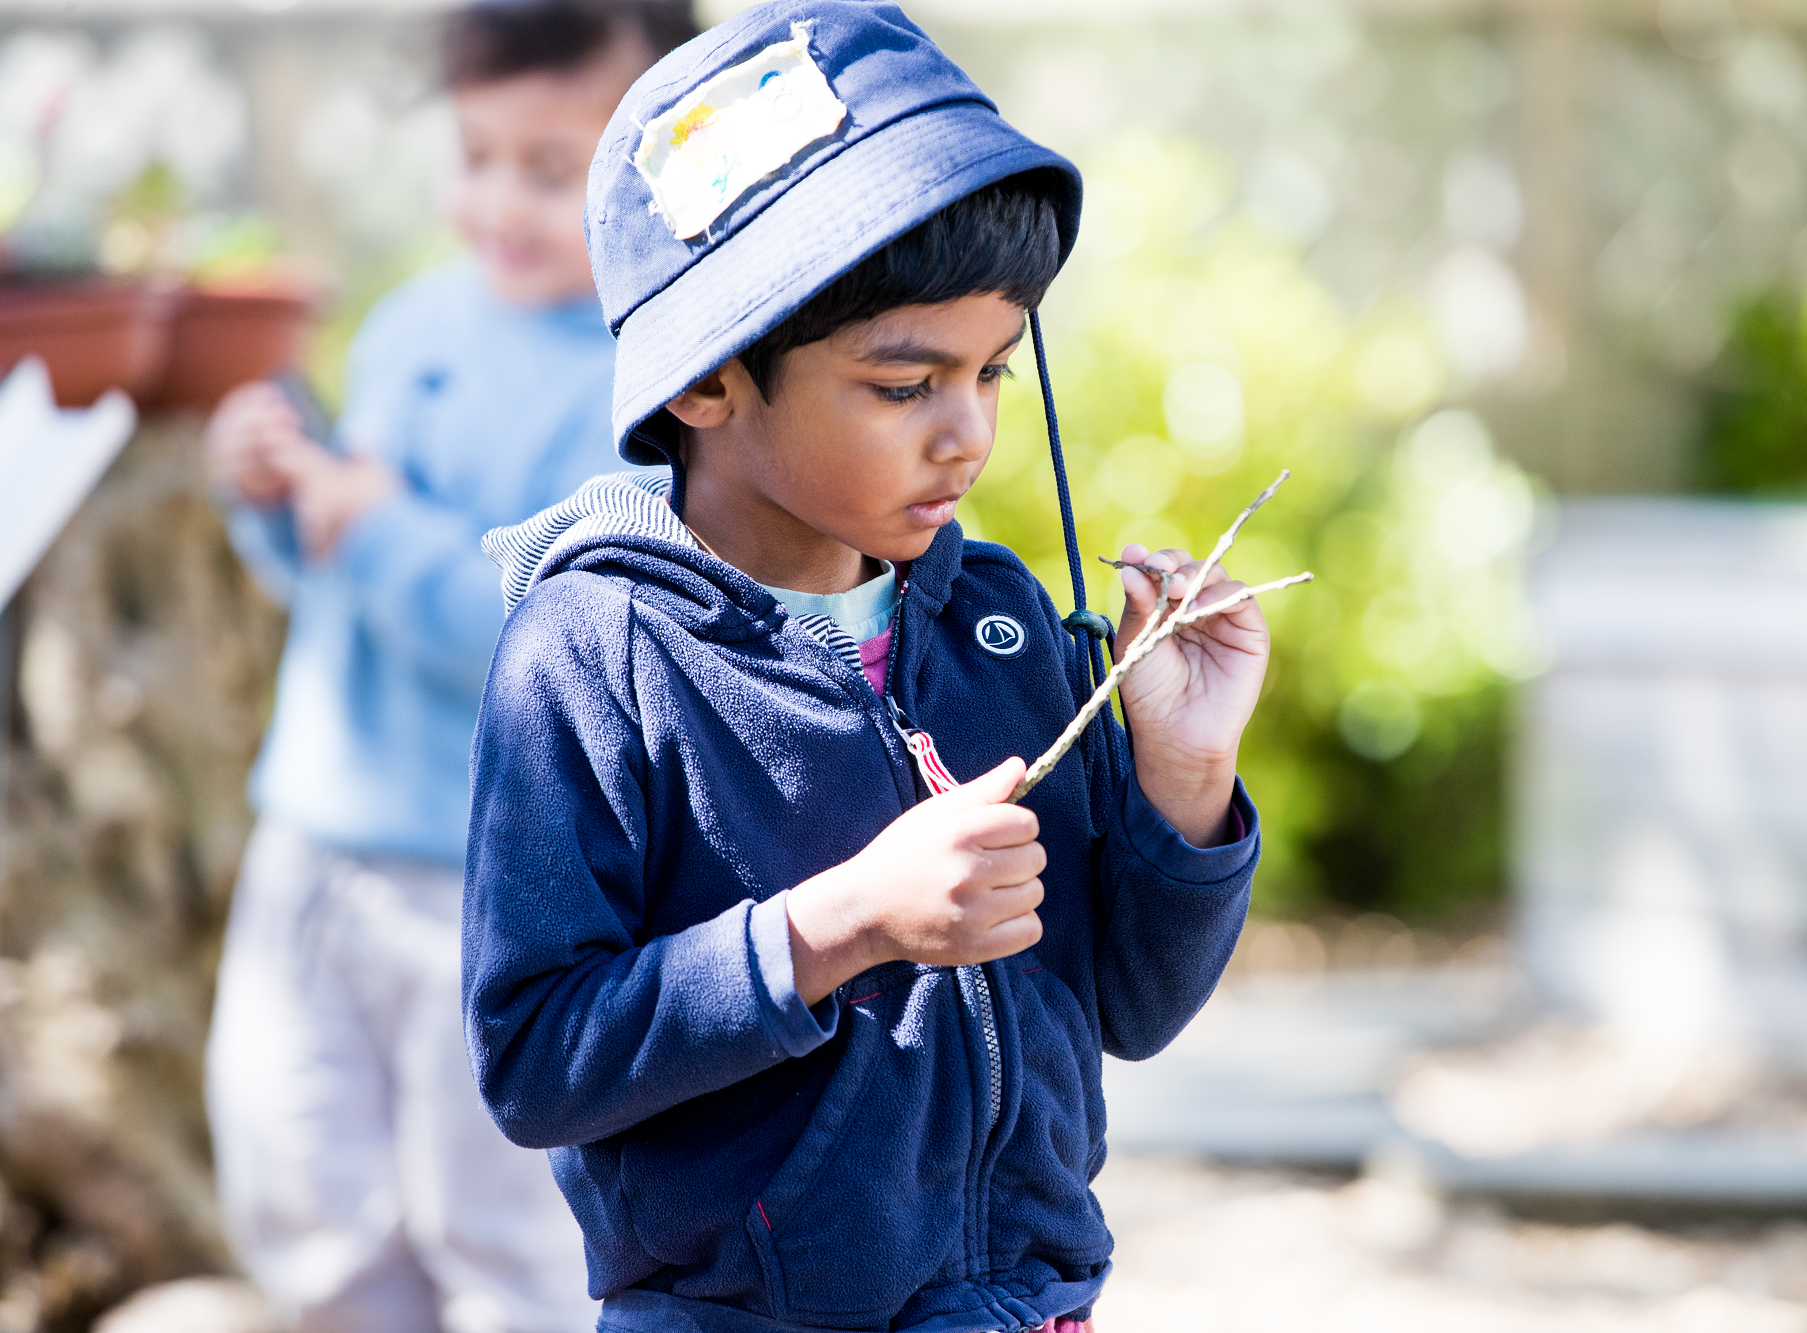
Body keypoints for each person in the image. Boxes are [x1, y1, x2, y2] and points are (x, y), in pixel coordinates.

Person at [462, 3, 1267, 1330]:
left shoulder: (995, 626)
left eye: (996, 374)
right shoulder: (595, 653)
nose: (968, 435)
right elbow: (537, 1059)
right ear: (709, 381)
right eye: (907, 385)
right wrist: (842, 927)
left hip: (1029, 1304)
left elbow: (1130, 1006)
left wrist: (1184, 772)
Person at [201, 3, 696, 1329]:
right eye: (474, 155)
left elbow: (551, 654)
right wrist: (279, 498)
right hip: (315, 838)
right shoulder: (414, 324)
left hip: (502, 889)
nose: (498, 202)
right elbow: (332, 583)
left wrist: (370, 524)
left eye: (550, 168)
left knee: (509, 1233)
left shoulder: (655, 390)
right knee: (302, 1189)